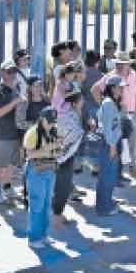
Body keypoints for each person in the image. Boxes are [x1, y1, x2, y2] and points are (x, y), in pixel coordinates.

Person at [24, 107, 63, 248]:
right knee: (37, 205)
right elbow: (29, 154)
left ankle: (43, 235)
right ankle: (34, 239)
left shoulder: (54, 130)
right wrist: (48, 148)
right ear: (41, 118)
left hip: (50, 170)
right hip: (36, 171)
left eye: (54, 122)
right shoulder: (32, 132)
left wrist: (59, 149)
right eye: (49, 121)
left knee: (46, 205)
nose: (52, 124)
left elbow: (58, 151)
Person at [0, 61, 27, 203]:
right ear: (2, 73)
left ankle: (6, 186)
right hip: (3, 134)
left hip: (16, 133)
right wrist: (15, 102)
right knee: (0, 164)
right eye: (9, 72)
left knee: (12, 163)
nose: (12, 74)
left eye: (14, 71)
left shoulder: (16, 89)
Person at [54, 91, 85, 226]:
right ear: (74, 103)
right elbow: (66, 139)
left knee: (63, 186)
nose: (83, 102)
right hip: (63, 157)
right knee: (63, 187)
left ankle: (57, 214)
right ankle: (57, 216)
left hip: (66, 156)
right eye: (81, 100)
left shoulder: (75, 115)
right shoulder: (68, 117)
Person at [96, 75, 125, 216]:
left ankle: (106, 201)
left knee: (109, 175)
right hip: (109, 143)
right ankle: (104, 207)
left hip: (111, 142)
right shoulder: (108, 103)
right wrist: (113, 146)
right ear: (112, 88)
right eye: (120, 87)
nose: (122, 90)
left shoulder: (112, 102)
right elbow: (108, 127)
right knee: (107, 176)